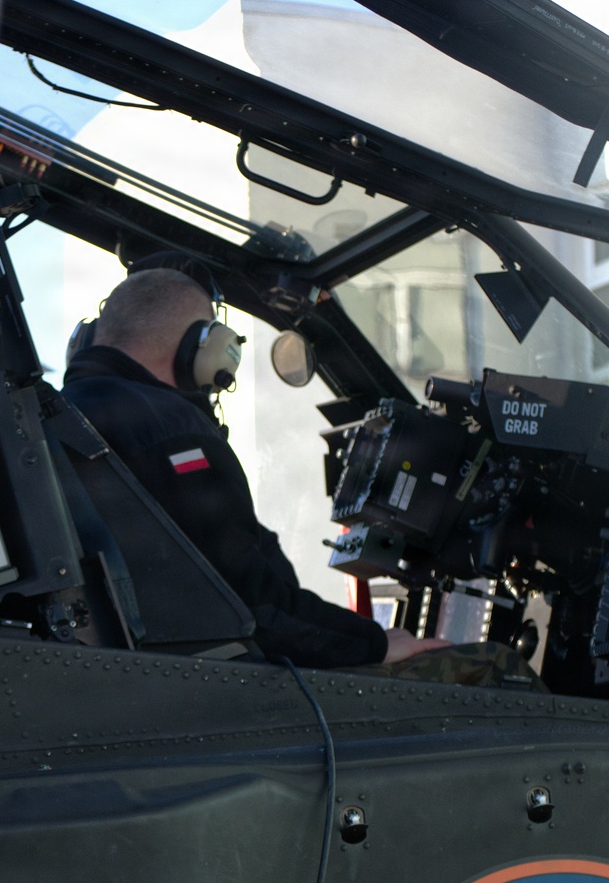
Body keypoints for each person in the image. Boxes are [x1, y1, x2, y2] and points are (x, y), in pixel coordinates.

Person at [63, 267, 453, 672]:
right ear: (206, 347)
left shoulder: (57, 418)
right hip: (205, 679)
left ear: (88, 340)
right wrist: (373, 644)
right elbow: (253, 606)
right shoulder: (173, 431)